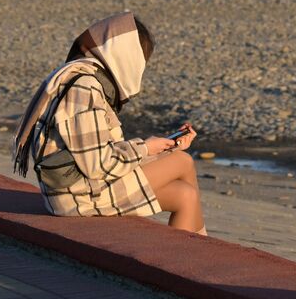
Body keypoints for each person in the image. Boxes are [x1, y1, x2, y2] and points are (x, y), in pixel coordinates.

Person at [12, 13, 206, 233]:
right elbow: (98, 165)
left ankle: (193, 260)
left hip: (77, 187)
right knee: (182, 162)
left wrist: (163, 148)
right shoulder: (84, 88)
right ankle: (202, 258)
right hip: (76, 197)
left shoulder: (84, 77)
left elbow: (96, 154)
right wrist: (145, 147)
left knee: (184, 194)